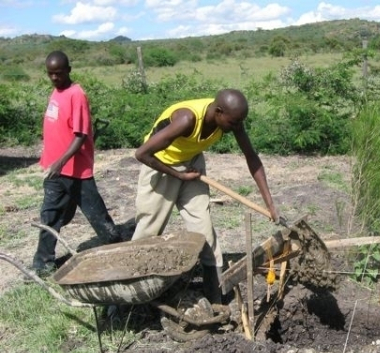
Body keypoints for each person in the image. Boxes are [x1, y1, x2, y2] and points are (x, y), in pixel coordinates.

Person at [132, 89, 281, 304]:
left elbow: (252, 157)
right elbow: (142, 154)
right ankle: (128, 297)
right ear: (219, 112)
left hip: (191, 164)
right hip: (160, 165)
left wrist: (270, 204)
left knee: (204, 233)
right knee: (148, 230)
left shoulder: (232, 119)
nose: (236, 127)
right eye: (233, 122)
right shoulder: (187, 119)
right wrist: (179, 175)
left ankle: (215, 299)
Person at [32, 50, 121, 275]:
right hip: (56, 170)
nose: (54, 78)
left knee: (97, 216)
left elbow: (80, 135)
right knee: (49, 216)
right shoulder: (57, 91)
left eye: (59, 73)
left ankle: (119, 252)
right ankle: (43, 265)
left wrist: (61, 161)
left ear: (68, 70)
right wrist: (52, 161)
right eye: (50, 74)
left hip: (75, 170)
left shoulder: (76, 94)